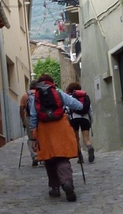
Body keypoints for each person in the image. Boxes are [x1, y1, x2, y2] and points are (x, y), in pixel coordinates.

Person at [28, 73, 84, 202]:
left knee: (49, 159)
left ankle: (55, 188)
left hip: (44, 130)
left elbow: (33, 116)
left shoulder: (36, 97)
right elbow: (78, 106)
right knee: (62, 157)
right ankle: (66, 182)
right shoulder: (58, 93)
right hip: (61, 127)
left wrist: (34, 134)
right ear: (52, 82)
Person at [65, 81, 94, 162]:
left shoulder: (70, 97)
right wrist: (91, 120)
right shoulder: (85, 96)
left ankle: (80, 157)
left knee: (76, 138)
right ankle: (90, 148)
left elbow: (67, 109)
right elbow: (90, 110)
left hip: (74, 118)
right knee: (86, 138)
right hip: (85, 118)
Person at [19, 85, 39, 166]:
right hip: (40, 118)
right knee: (41, 137)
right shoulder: (40, 93)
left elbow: (21, 109)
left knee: (31, 138)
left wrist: (23, 121)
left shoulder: (25, 95)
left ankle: (34, 156)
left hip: (29, 118)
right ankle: (43, 157)